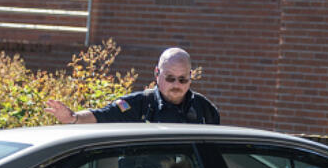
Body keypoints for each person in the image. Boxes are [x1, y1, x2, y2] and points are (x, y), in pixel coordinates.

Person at [44, 47, 220, 125]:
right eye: (170, 78)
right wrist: (73, 118)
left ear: (191, 77)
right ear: (157, 74)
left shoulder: (204, 110)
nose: (176, 85)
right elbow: (102, 115)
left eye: (182, 79)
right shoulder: (140, 105)